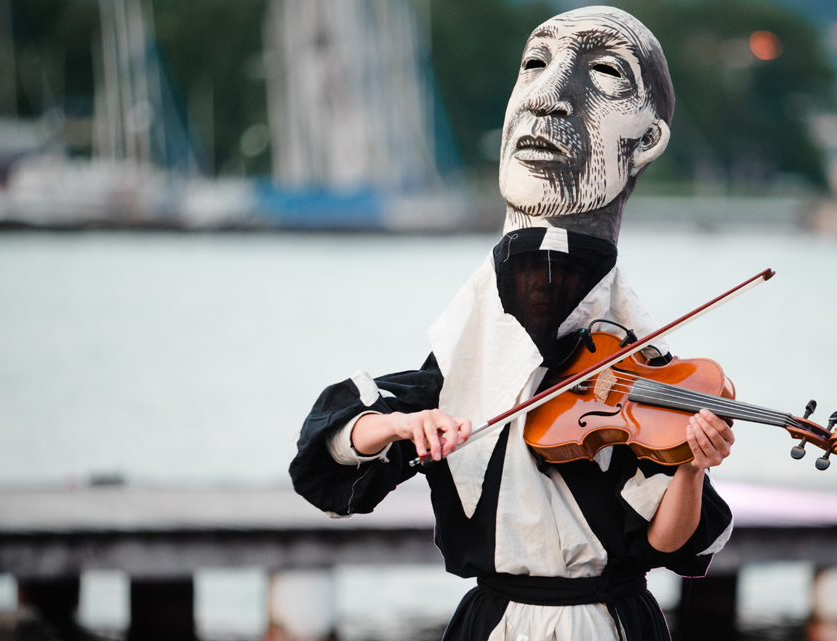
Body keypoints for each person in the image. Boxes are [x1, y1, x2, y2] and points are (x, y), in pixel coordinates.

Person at [290, 7, 735, 640]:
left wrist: (691, 465)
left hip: (605, 623)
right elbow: (332, 456)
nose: (548, 97)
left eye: (605, 72)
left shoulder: (637, 373)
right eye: (534, 64)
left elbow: (668, 543)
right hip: (494, 621)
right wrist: (399, 424)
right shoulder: (461, 373)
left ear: (646, 141)